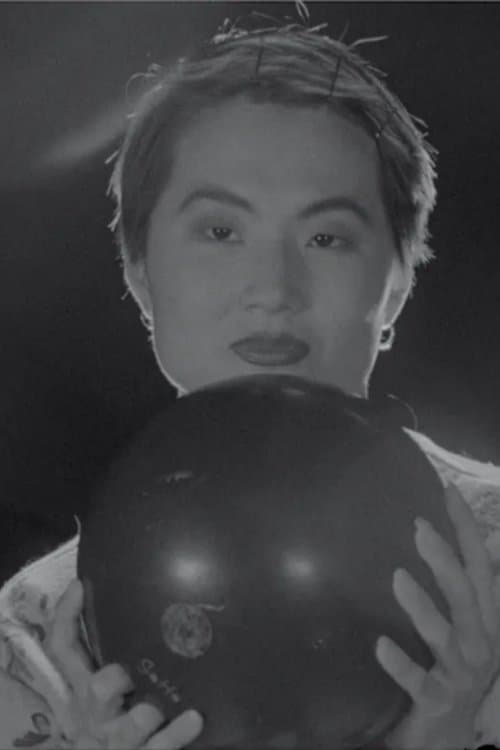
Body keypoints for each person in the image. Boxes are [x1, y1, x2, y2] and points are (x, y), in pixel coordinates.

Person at [2, 11, 500, 749]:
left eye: (326, 237)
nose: (273, 288)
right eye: (220, 231)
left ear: (396, 284)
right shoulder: (39, 638)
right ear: (139, 273)